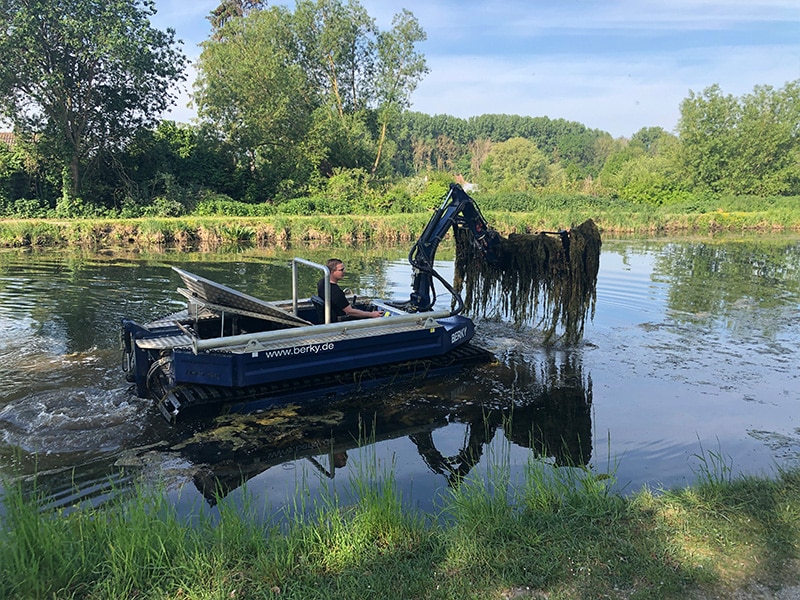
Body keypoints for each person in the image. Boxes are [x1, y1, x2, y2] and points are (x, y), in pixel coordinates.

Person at [317, 258, 383, 320]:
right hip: (340, 321)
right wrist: (371, 314)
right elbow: (350, 312)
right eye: (341, 270)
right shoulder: (336, 292)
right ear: (331, 272)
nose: (344, 272)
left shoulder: (321, 282)